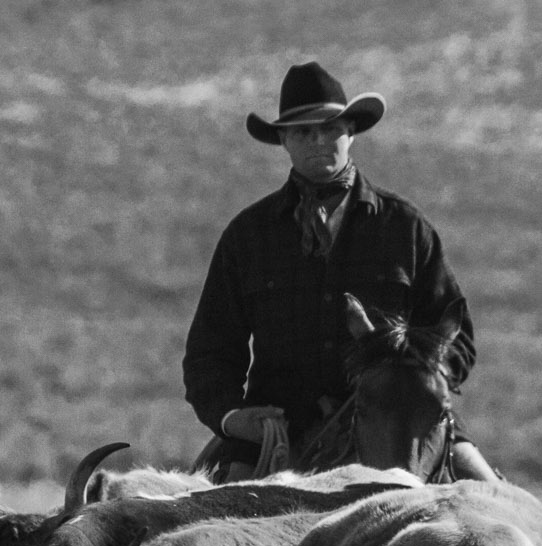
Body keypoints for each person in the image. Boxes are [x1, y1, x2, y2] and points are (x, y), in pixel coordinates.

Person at [183, 61, 496, 480]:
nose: (318, 141)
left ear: (351, 133)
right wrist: (232, 418)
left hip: (402, 425)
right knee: (200, 534)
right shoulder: (248, 237)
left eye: (330, 128)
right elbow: (210, 354)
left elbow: (458, 340)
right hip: (278, 433)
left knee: (501, 510)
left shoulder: (405, 227)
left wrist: (413, 384)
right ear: (283, 141)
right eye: (302, 132)